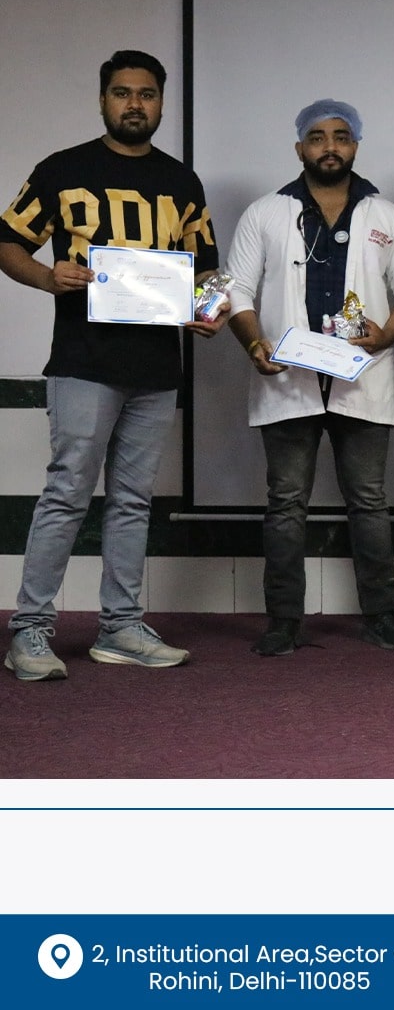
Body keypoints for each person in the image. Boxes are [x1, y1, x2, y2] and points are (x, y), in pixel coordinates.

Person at [1, 49, 227, 681]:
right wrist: (48, 276)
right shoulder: (63, 170)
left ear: (161, 102)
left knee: (131, 500)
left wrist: (208, 309)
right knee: (68, 491)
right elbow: (7, 241)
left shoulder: (182, 181)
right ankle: (31, 631)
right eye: (123, 93)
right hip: (83, 360)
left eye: (147, 94)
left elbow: (204, 268)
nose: (135, 104)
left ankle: (121, 627)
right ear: (103, 100)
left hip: (156, 366)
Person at [227, 99, 394, 656]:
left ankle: (382, 616)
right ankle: (283, 621)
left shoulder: (386, 215)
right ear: (299, 148)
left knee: (369, 502)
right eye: (317, 137)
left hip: (362, 377)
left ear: (356, 145)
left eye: (341, 136)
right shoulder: (266, 212)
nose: (329, 146)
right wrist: (253, 344)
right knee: (286, 502)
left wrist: (385, 335)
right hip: (287, 378)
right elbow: (237, 290)